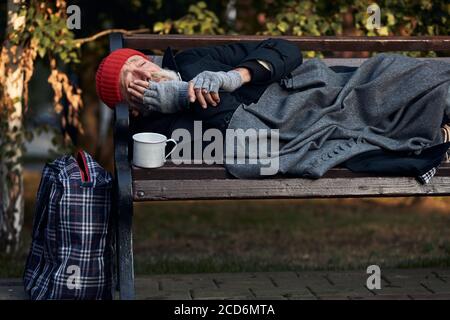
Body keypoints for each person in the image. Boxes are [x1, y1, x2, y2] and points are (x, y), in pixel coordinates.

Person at [95, 38, 303, 136]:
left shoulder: (191, 59)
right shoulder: (154, 135)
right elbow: (251, 133)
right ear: (133, 110)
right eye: (134, 81)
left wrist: (235, 76)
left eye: (141, 64)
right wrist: (185, 94)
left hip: (304, 89)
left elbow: (287, 49)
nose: (146, 74)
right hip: (294, 126)